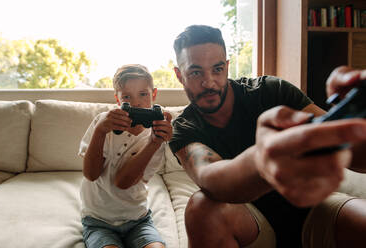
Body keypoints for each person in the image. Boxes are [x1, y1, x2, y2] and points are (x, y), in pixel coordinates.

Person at [169, 25, 366, 248]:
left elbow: (357, 156)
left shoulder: (271, 91)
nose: (209, 82)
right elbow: (212, 180)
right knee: (201, 208)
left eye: (217, 69)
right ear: (179, 75)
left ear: (227, 66)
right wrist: (264, 161)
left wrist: (355, 124)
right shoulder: (183, 127)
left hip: (315, 208)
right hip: (249, 222)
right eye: (195, 72)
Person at [79, 64, 172, 248]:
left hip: (138, 219)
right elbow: (90, 174)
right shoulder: (103, 123)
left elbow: (123, 182)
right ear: (118, 100)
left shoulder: (157, 137)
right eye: (127, 97)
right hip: (98, 220)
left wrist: (153, 143)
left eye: (143, 94)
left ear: (153, 95)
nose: (136, 103)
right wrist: (100, 131)